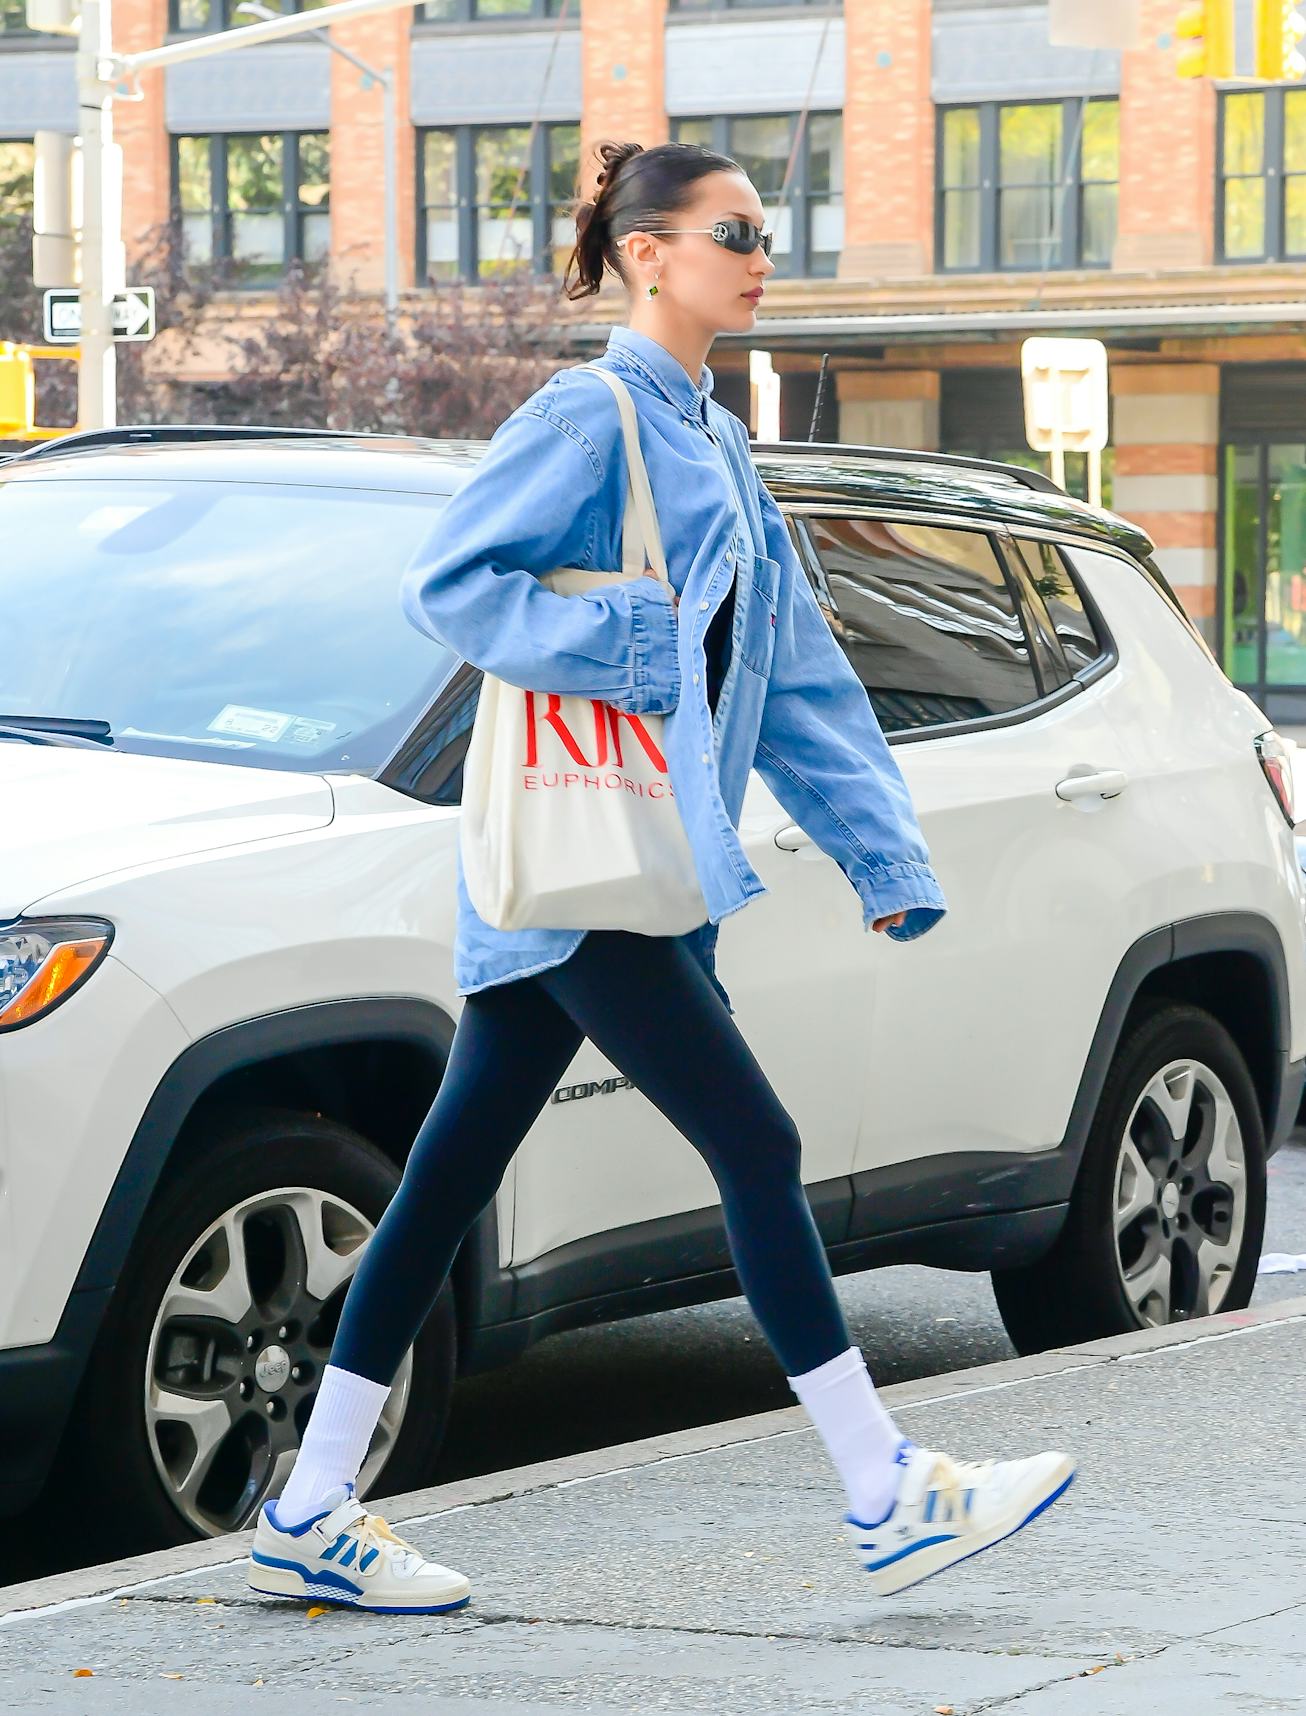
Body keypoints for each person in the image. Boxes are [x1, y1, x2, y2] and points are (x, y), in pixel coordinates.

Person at [247, 139, 1074, 1615]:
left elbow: (802, 673)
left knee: (439, 1184)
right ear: (646, 254)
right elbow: (451, 581)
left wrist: (879, 851)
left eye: (770, 232)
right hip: (584, 869)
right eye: (734, 231)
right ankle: (883, 1484)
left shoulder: (716, 445)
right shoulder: (589, 415)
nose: (764, 255)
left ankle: (309, 1504)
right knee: (754, 1143)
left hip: (635, 868)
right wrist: (630, 647)